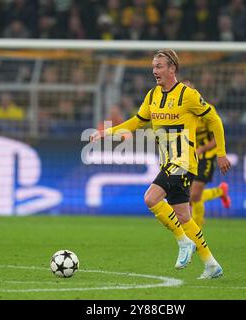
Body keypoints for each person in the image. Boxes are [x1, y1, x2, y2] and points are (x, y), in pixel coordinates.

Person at [90, 49, 231, 279]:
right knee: (184, 217)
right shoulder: (152, 96)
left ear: (172, 68)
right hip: (167, 162)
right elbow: (136, 122)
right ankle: (211, 264)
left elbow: (214, 119)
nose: (155, 70)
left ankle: (184, 243)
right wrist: (107, 132)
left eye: (160, 66)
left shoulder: (188, 95)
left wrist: (221, 153)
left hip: (183, 161)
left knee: (151, 198)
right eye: (154, 66)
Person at [182, 79, 231, 229]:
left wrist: (202, 149)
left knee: (194, 195)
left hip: (207, 156)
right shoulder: (180, 113)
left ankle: (196, 230)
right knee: (189, 196)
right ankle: (220, 191)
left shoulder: (207, 110)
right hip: (189, 157)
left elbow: (217, 137)